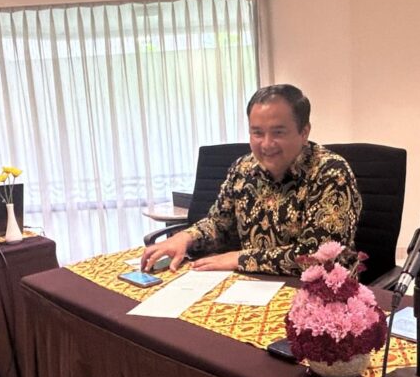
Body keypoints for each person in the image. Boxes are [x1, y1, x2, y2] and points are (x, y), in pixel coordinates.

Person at [141, 84, 362, 276]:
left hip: (316, 296)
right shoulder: (243, 168)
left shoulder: (330, 173)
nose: (266, 144)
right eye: (257, 133)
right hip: (249, 286)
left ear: (304, 132)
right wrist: (186, 237)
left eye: (278, 132)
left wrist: (240, 259)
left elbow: (319, 257)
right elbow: (219, 224)